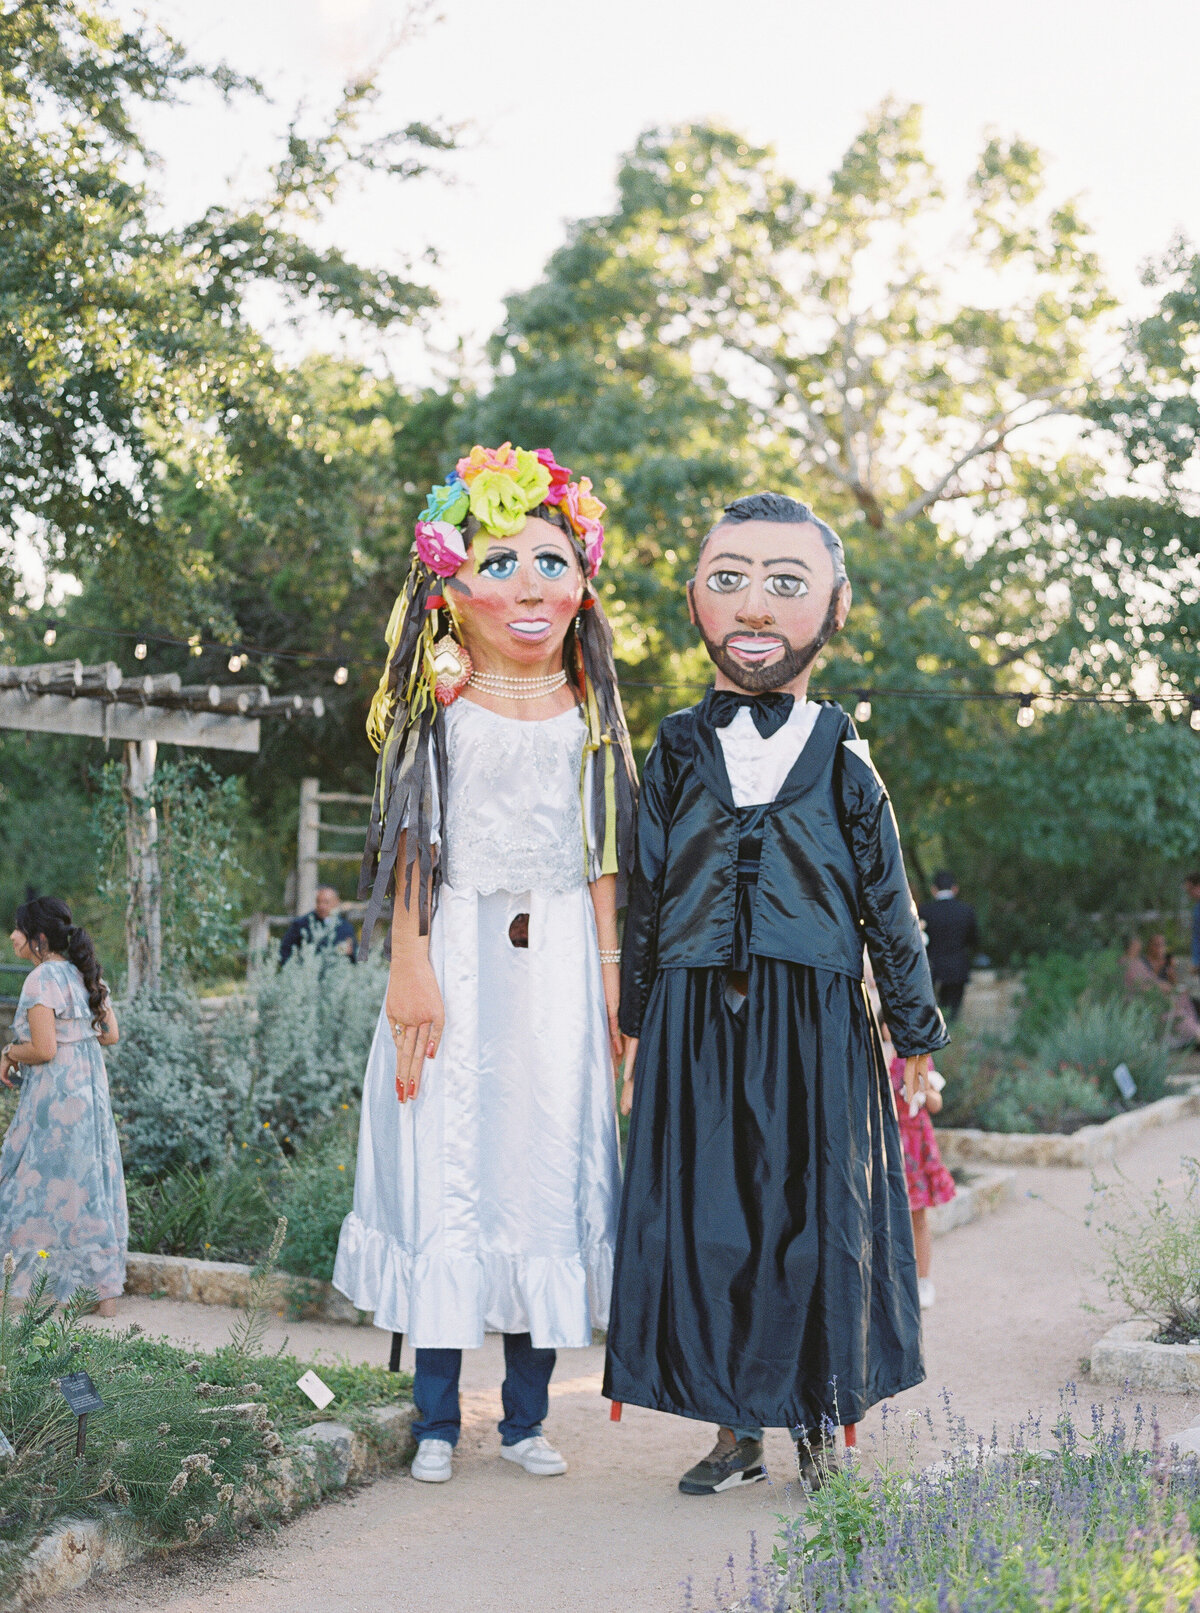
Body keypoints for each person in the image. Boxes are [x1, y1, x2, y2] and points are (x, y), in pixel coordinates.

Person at [604, 491, 948, 1497]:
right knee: (712, 1222)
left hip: (816, 1023)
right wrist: (634, 1022)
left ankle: (807, 1421)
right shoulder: (672, 748)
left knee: (809, 1222)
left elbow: (890, 899)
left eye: (785, 583)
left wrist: (915, 1032)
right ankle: (731, 1425)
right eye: (731, 578)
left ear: (830, 606)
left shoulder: (846, 756)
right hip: (694, 1017)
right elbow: (647, 890)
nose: (755, 604)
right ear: (698, 596)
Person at [333, 443, 637, 1486]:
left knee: (545, 1173)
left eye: (550, 562)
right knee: (449, 1162)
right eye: (497, 561)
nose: (527, 585)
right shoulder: (439, 709)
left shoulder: (595, 713)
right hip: (456, 952)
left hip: (555, 971)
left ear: (584, 583)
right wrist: (408, 963)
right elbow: (413, 844)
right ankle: (432, 1416)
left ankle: (524, 1415)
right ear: (449, 588)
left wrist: (612, 983)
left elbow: (605, 859)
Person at [0, 896, 126, 1314]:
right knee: (87, 1191)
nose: (12, 936)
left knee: (30, 1185)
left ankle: (20, 1293)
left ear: (37, 938)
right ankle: (102, 1297)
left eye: (17, 929)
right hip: (90, 1095)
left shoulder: (41, 979)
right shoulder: (83, 973)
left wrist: (9, 1051)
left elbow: (45, 1048)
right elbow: (110, 1035)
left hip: (55, 1101)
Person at [882, 1026, 954, 1310]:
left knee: (918, 1216)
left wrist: (925, 1090)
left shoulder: (915, 1056)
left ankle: (924, 1280)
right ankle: (891, 1282)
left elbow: (936, 1103)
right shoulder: (874, 1054)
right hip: (887, 1139)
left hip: (913, 1141)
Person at [918, 872, 979, 1023]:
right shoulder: (966, 910)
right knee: (955, 1008)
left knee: (936, 1006)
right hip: (958, 965)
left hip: (933, 968)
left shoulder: (925, 911)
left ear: (934, 889)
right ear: (955, 888)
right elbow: (973, 939)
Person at [1123, 933, 1200, 1050]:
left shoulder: (1137, 962)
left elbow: (1151, 980)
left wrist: (1167, 983)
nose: (1139, 947)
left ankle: (1192, 1033)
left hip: (1156, 995)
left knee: (1182, 998)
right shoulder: (1129, 963)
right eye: (1137, 945)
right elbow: (1141, 985)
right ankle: (1192, 1034)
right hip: (1145, 999)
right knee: (1173, 1006)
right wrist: (1161, 987)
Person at [279, 885, 357, 965]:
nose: (321, 906)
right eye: (318, 902)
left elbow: (354, 958)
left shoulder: (346, 927)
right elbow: (285, 951)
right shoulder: (302, 924)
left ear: (336, 902)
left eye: (326, 902)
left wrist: (350, 952)